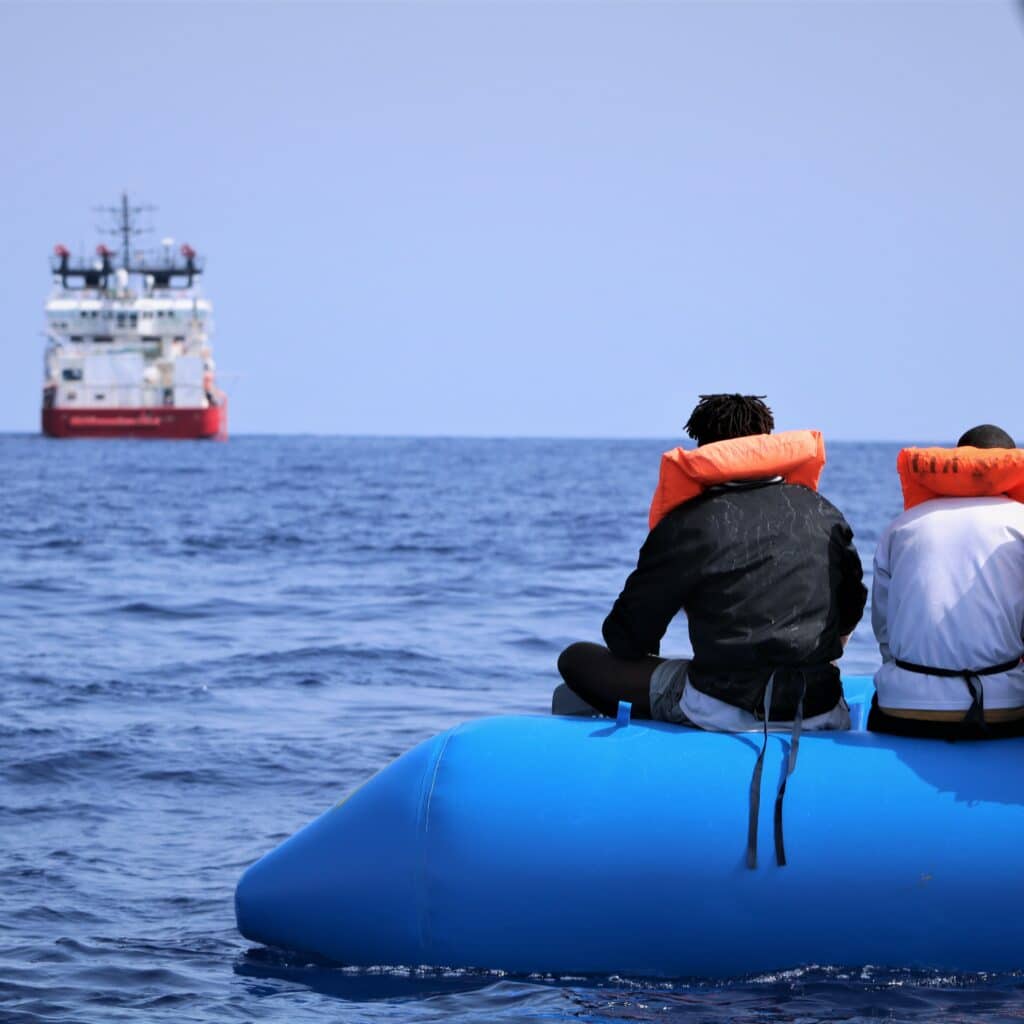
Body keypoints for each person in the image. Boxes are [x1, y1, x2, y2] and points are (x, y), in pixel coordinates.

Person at [556, 393, 867, 734]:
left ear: (704, 451)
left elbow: (626, 640)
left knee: (576, 659)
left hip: (722, 709)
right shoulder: (824, 513)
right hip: (819, 705)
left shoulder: (687, 524)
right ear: (767, 441)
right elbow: (851, 610)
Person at [869, 424, 1024, 739]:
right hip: (1005, 708)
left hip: (904, 707)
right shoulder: (1020, 522)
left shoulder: (901, 527)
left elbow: (884, 630)